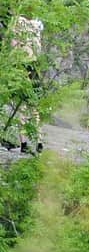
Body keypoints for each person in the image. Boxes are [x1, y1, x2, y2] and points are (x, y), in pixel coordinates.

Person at [10, 15, 44, 154]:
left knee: (22, 106)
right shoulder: (35, 25)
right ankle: (39, 140)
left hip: (21, 65)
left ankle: (24, 142)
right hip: (34, 66)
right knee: (34, 105)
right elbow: (39, 48)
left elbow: (14, 45)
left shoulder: (16, 22)